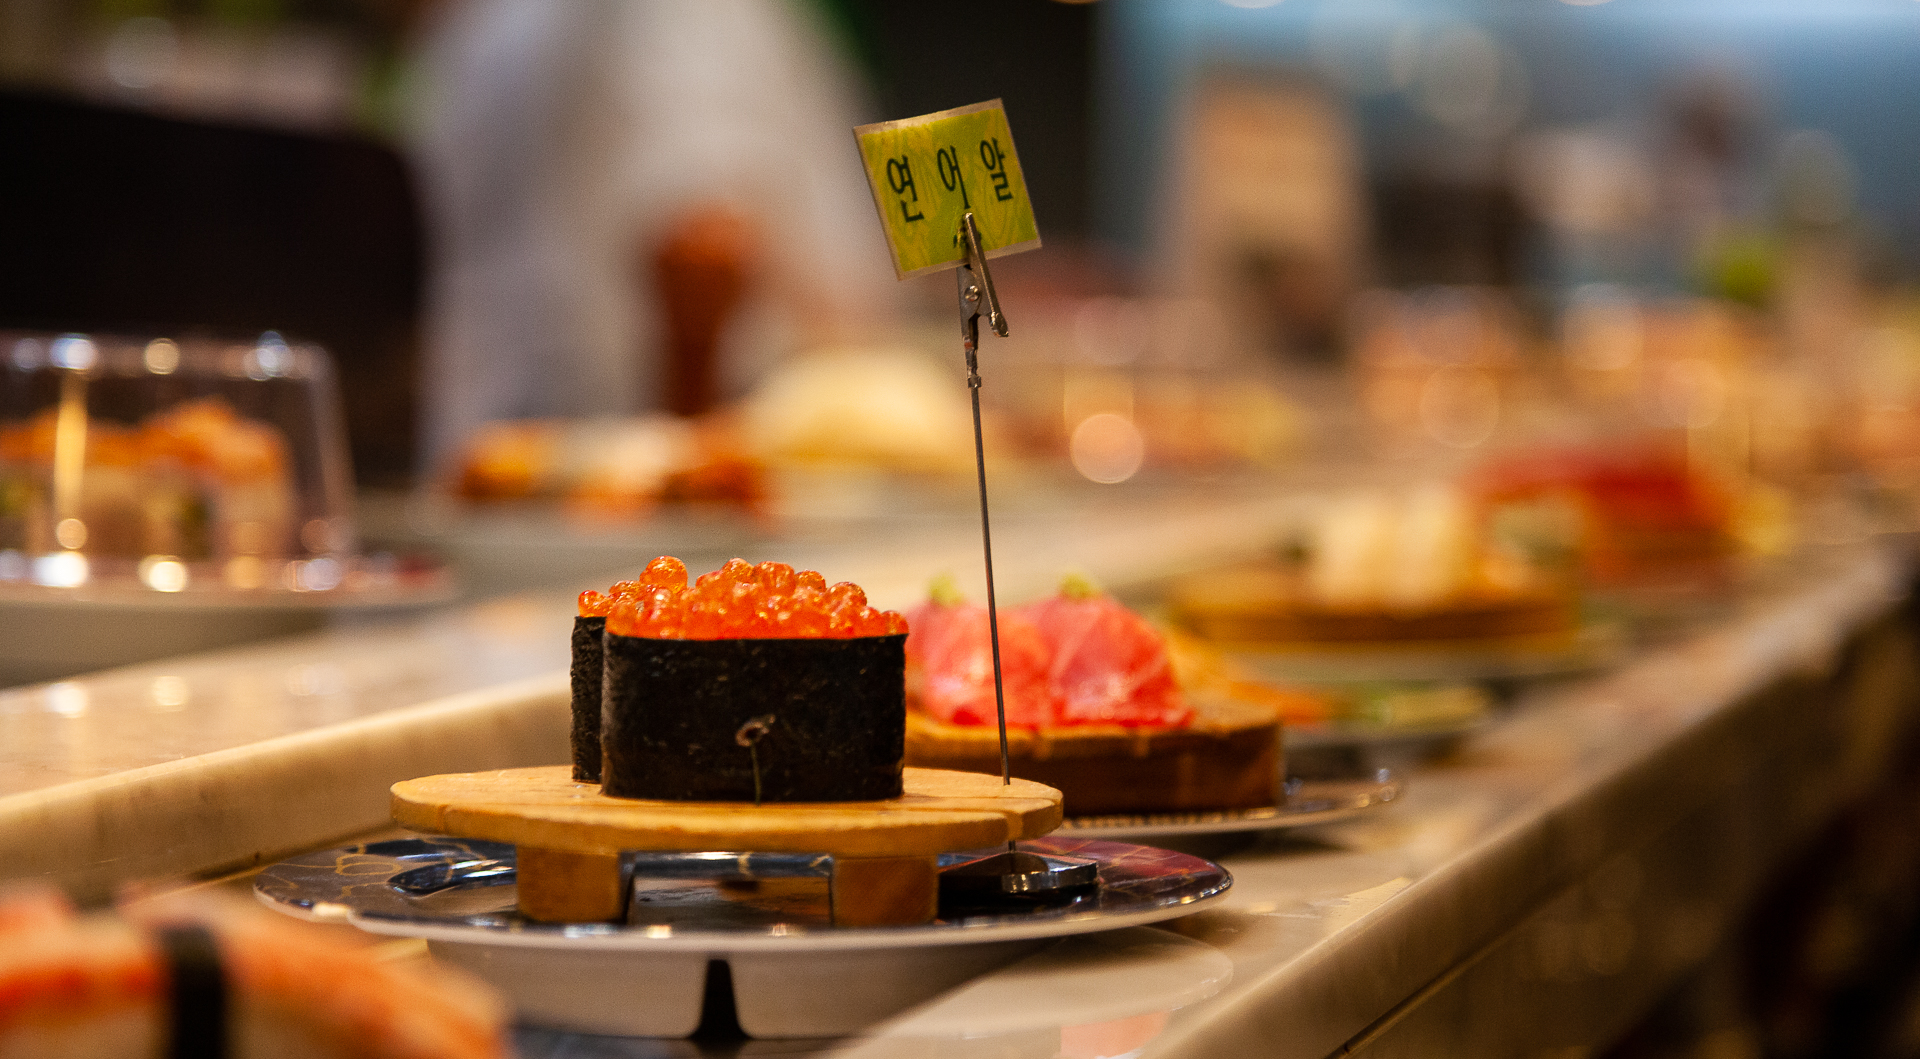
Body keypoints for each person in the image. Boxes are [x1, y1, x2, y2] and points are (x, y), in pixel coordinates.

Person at [403, 0, 901, 472]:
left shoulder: (486, 29)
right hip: (616, 462)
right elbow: (701, 248)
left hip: (491, 453)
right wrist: (687, 474)